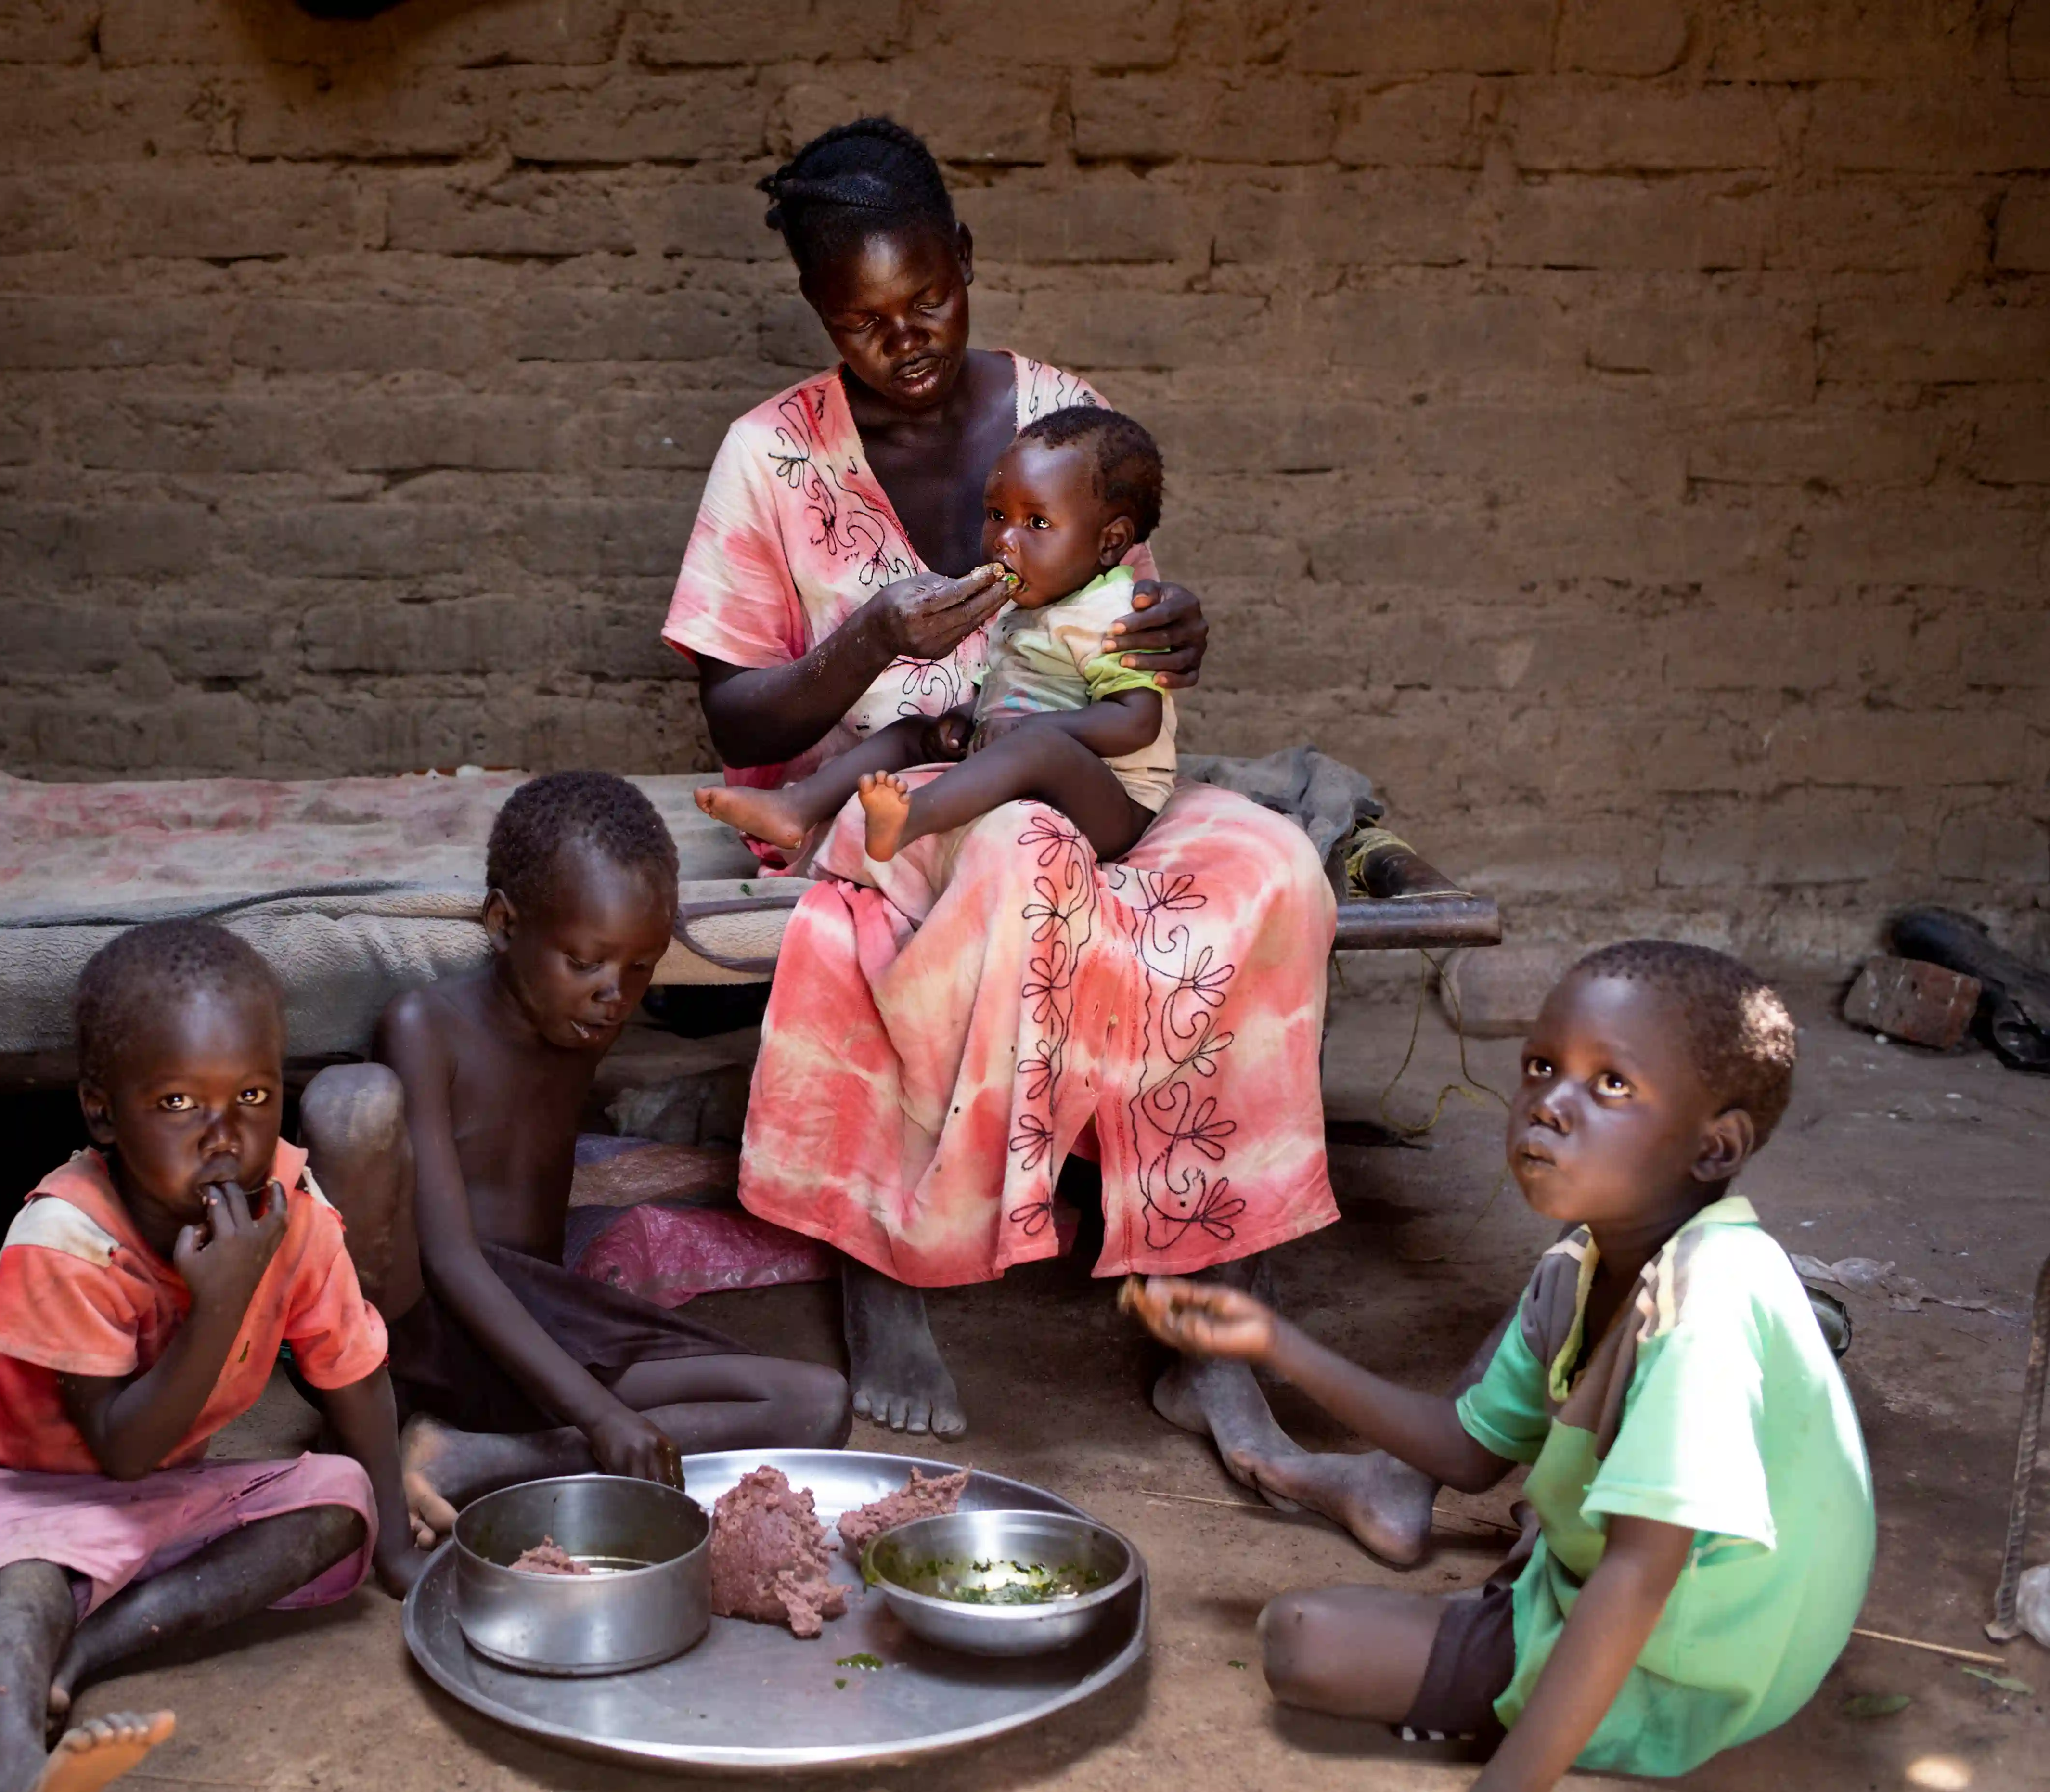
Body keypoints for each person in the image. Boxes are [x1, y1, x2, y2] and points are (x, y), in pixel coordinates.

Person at [667, 115, 1367, 1548]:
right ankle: (895, 1263)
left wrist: (1175, 633)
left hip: (1064, 777)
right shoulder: (768, 457)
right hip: (890, 797)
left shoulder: (1058, 414)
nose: (904, 339)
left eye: (927, 301)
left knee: (1266, 870)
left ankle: (1208, 1302)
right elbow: (735, 720)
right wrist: (866, 635)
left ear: (967, 264)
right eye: (860, 321)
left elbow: (1126, 643)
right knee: (1014, 865)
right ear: (816, 314)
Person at [1122, 942, 1873, 1788]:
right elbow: (1464, 1449)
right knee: (1554, 1510)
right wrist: (1272, 1341)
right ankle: (1535, 1555)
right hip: (1712, 1611)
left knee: (1302, 1637)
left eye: (1610, 1084)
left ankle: (1543, 1627)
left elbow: (1636, 1576)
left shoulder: (1706, 1302)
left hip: (1694, 1668)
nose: (1548, 1105)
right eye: (1542, 1067)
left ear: (1715, 1147)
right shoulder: (1583, 1262)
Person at [0, 919, 419, 1792]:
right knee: (13, 1610)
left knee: (345, 1499)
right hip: (2, 1488)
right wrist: (220, 1302)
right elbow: (122, 1446)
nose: (224, 1136)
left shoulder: (291, 1210)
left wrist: (398, 1546)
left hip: (149, 1495)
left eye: (254, 1097)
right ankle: (15, 1771)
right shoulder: (67, 1240)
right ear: (101, 1109)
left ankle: (86, 1655)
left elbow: (355, 1374)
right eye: (179, 1103)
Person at [303, 771, 850, 1543]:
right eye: (586, 961)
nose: (614, 994)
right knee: (356, 1109)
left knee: (815, 1402)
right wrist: (599, 1414)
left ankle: (473, 1460)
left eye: (639, 967)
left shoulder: (580, 1022)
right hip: (436, 1325)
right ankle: (444, 1435)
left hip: (544, 1328)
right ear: (502, 922)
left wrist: (597, 1409)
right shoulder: (424, 1026)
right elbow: (452, 1260)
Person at [696, 403, 1175, 865]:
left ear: (1110, 542)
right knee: (913, 732)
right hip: (1029, 766)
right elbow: (1014, 693)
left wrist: (1028, 732)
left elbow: (1134, 723)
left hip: (1112, 804)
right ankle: (794, 809)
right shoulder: (1032, 603)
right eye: (996, 515)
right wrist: (966, 719)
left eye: (1037, 523)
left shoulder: (1114, 615)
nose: (1004, 540)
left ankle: (910, 820)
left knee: (1037, 749)